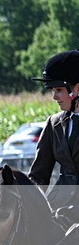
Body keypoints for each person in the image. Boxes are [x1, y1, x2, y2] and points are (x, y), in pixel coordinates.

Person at [28, 50, 79, 219]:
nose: (54, 96)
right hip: (58, 208)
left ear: (77, 89)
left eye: (58, 89)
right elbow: (38, 175)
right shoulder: (54, 123)